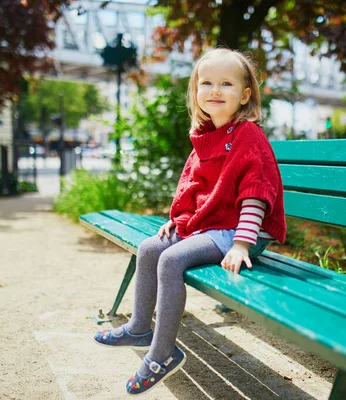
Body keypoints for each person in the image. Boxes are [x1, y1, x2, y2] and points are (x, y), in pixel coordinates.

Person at [93, 48, 287, 395]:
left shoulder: (247, 136)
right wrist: (179, 221)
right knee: (151, 247)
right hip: (215, 225)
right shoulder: (204, 135)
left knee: (171, 259)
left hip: (244, 229)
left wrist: (242, 242)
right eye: (207, 82)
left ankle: (162, 353)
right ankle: (139, 327)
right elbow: (195, 188)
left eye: (226, 83)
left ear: (244, 95)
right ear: (196, 91)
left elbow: (257, 191)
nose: (215, 90)